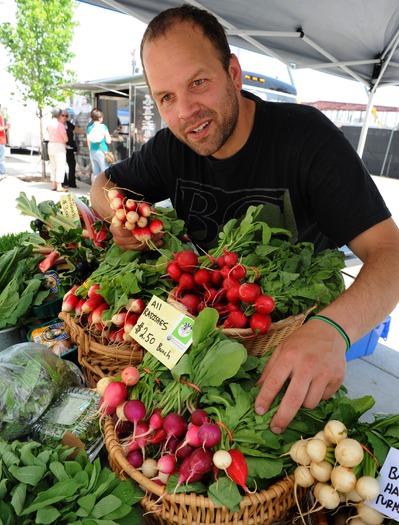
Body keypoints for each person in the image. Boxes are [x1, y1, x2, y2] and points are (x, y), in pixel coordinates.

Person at [90, 5, 399, 434]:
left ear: (233, 72)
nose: (185, 111)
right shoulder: (170, 148)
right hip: (201, 349)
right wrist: (121, 216)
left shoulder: (307, 140)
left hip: (292, 348)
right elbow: (103, 184)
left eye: (198, 82)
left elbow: (390, 253)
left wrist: (332, 330)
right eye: (166, 97)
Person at [87, 108, 112, 184]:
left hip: (92, 151)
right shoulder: (103, 126)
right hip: (102, 151)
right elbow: (108, 140)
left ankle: (95, 191)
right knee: (105, 172)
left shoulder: (89, 128)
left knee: (96, 173)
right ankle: (105, 191)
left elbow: (88, 142)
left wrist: (91, 150)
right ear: (100, 117)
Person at [62, 111, 85, 188]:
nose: (64, 117)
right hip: (62, 148)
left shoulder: (69, 124)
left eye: (66, 116)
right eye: (63, 115)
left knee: (72, 165)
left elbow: (76, 130)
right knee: (62, 166)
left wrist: (86, 132)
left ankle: (72, 183)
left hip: (70, 148)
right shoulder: (58, 125)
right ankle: (64, 182)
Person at [47, 107, 68, 192]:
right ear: (59, 115)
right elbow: (65, 138)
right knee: (60, 165)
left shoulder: (49, 123)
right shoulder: (60, 125)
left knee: (53, 165)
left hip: (50, 145)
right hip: (59, 146)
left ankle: (53, 184)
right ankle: (59, 186)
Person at [0, 106, 11, 180]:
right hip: (1, 141)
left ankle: (3, 173)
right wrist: (6, 127)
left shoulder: (3, 118)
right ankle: (3, 173)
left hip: (2, 141)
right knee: (1, 159)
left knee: (1, 159)